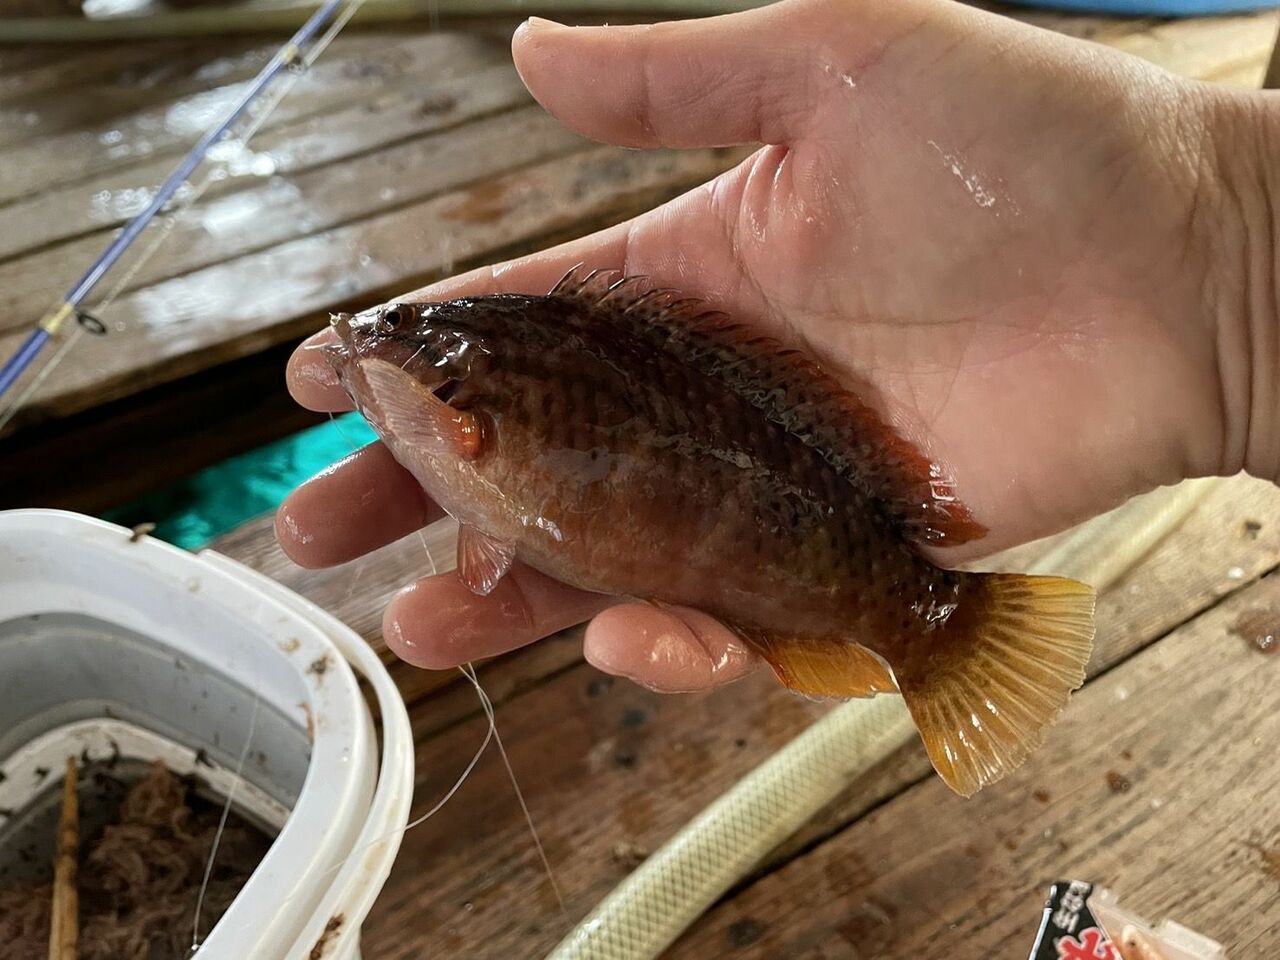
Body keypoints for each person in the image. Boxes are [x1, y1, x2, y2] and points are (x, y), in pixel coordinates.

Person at [276, 0, 1277, 693]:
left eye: (402, 329)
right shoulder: (457, 406)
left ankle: (933, 621)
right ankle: (920, 616)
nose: (372, 339)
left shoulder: (468, 399)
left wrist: (1226, 239)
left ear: (454, 399)